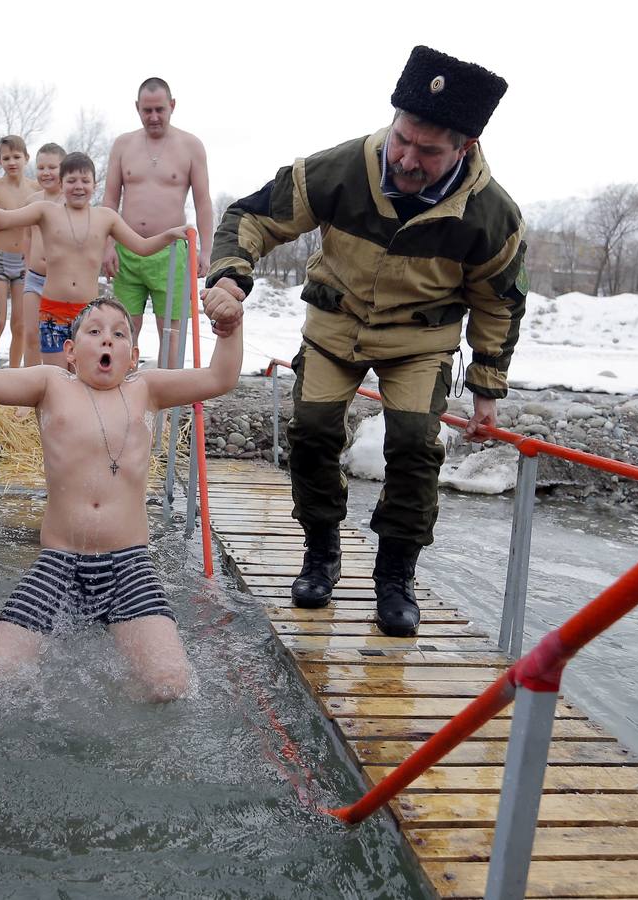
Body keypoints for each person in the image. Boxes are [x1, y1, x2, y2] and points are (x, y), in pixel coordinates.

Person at [203, 46, 527, 637]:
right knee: (312, 430)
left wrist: (487, 386)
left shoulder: (491, 215)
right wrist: (230, 276)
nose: (405, 158)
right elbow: (251, 217)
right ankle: (321, 551)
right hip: (336, 325)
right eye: (402, 139)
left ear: (465, 148)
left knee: (414, 444)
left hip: (419, 341)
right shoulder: (342, 168)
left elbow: (499, 302)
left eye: (428, 152)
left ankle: (395, 575)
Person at [0, 296, 242, 701]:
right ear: (70, 351)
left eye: (119, 334)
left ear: (132, 356)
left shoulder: (146, 389)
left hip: (128, 565)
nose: (107, 340)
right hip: (58, 563)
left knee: (170, 684)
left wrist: (229, 329)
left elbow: (221, 377)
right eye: (95, 331)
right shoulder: (51, 384)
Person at [0, 153, 187, 368]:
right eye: (71, 180)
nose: (78, 187)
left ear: (94, 184)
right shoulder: (45, 211)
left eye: (85, 181)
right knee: (56, 376)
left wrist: (170, 235)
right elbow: (7, 218)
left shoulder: (106, 217)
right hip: (53, 311)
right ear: (61, 183)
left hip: (87, 314)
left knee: (82, 376)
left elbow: (142, 246)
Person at [102, 77, 213, 369]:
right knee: (123, 329)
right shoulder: (123, 145)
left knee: (172, 333)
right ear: (137, 108)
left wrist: (205, 251)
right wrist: (107, 245)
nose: (153, 117)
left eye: (159, 110)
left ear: (172, 105)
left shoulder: (191, 146)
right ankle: (124, 392)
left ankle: (168, 398)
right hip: (127, 251)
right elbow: (110, 200)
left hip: (172, 253)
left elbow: (203, 202)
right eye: (147, 110)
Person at [0, 136, 38, 366]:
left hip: (25, 261)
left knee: (20, 324)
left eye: (16, 157)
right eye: (6, 158)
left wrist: (5, 218)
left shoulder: (35, 188)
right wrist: (7, 220)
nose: (12, 162)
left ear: (26, 158)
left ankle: (14, 373)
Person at [19, 143, 66, 367]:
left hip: (61, 281)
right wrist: (28, 266)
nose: (45, 173)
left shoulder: (70, 202)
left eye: (52, 167)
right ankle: (30, 385)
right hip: (34, 279)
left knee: (60, 338)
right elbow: (27, 236)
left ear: (64, 169)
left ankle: (62, 382)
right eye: (40, 168)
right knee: (31, 335)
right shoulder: (32, 202)